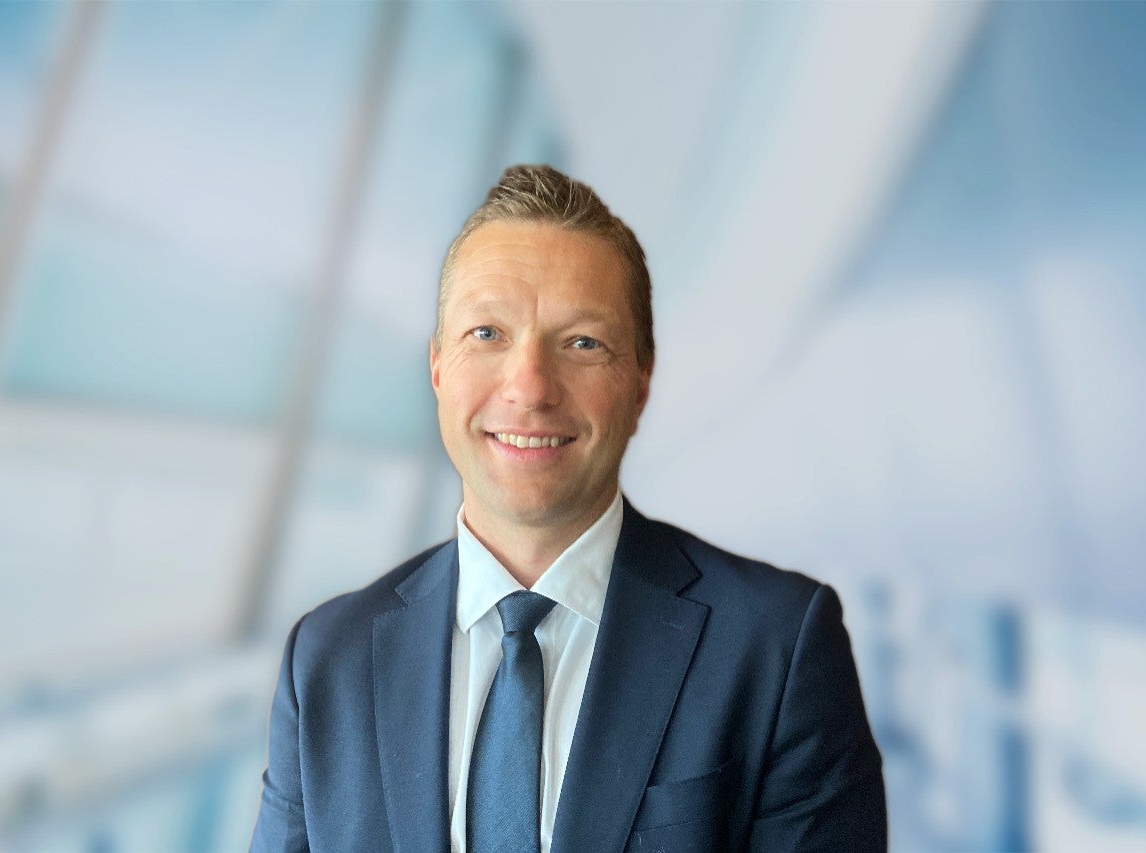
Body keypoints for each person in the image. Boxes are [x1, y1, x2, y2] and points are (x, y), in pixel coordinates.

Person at [250, 165, 886, 852]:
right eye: (486, 333)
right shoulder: (327, 660)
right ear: (437, 367)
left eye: (583, 342)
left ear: (640, 382)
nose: (529, 387)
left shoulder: (776, 647)